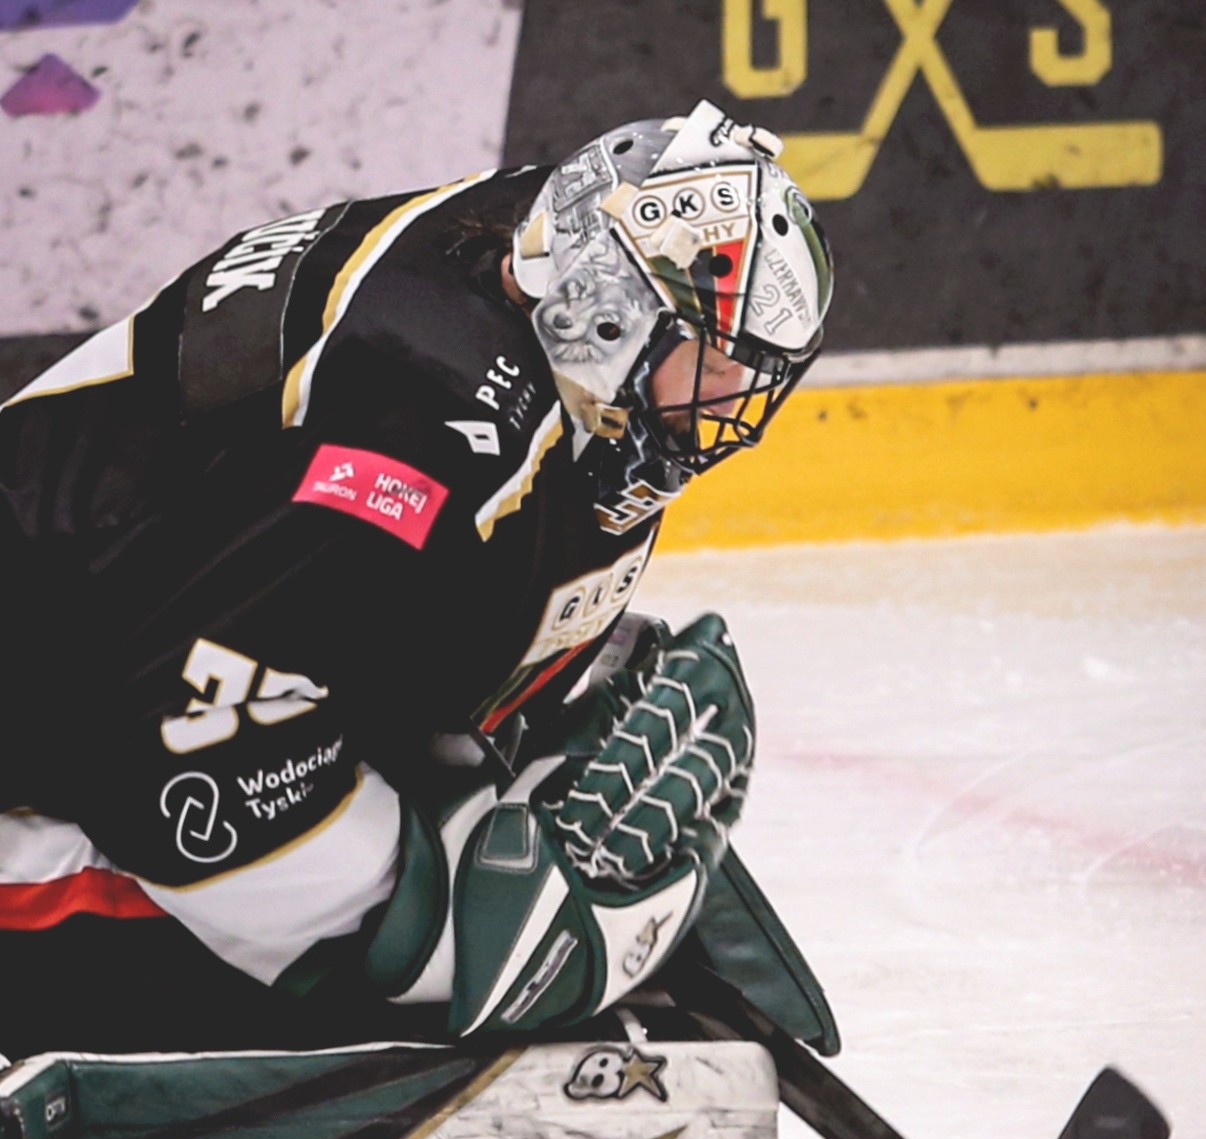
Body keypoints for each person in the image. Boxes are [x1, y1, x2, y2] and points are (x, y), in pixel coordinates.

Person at [0, 99, 833, 1061]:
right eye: (713, 365)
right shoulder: (417, 433)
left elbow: (330, 612)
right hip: (56, 780)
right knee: (379, 1001)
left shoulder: (537, 244)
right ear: (611, 315)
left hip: (101, 655)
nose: (732, 405)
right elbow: (178, 765)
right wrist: (450, 940)